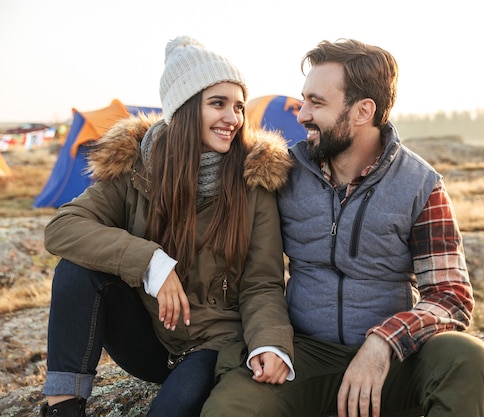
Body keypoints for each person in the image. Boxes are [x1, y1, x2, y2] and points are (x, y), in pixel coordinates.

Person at [200, 39, 484, 417]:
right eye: (303, 100)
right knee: (230, 407)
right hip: (303, 357)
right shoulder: (280, 173)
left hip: (394, 363)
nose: (302, 114)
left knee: (465, 356)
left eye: (317, 103)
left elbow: (451, 295)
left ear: (362, 111)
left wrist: (383, 341)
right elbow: (260, 278)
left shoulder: (421, 184)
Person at [39, 35, 295, 417]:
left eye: (239, 106)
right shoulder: (137, 169)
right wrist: (150, 263)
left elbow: (263, 282)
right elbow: (62, 228)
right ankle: (63, 408)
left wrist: (271, 345)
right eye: (218, 104)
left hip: (214, 344)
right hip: (150, 337)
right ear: (186, 107)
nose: (233, 118)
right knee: (76, 271)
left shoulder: (252, 180)